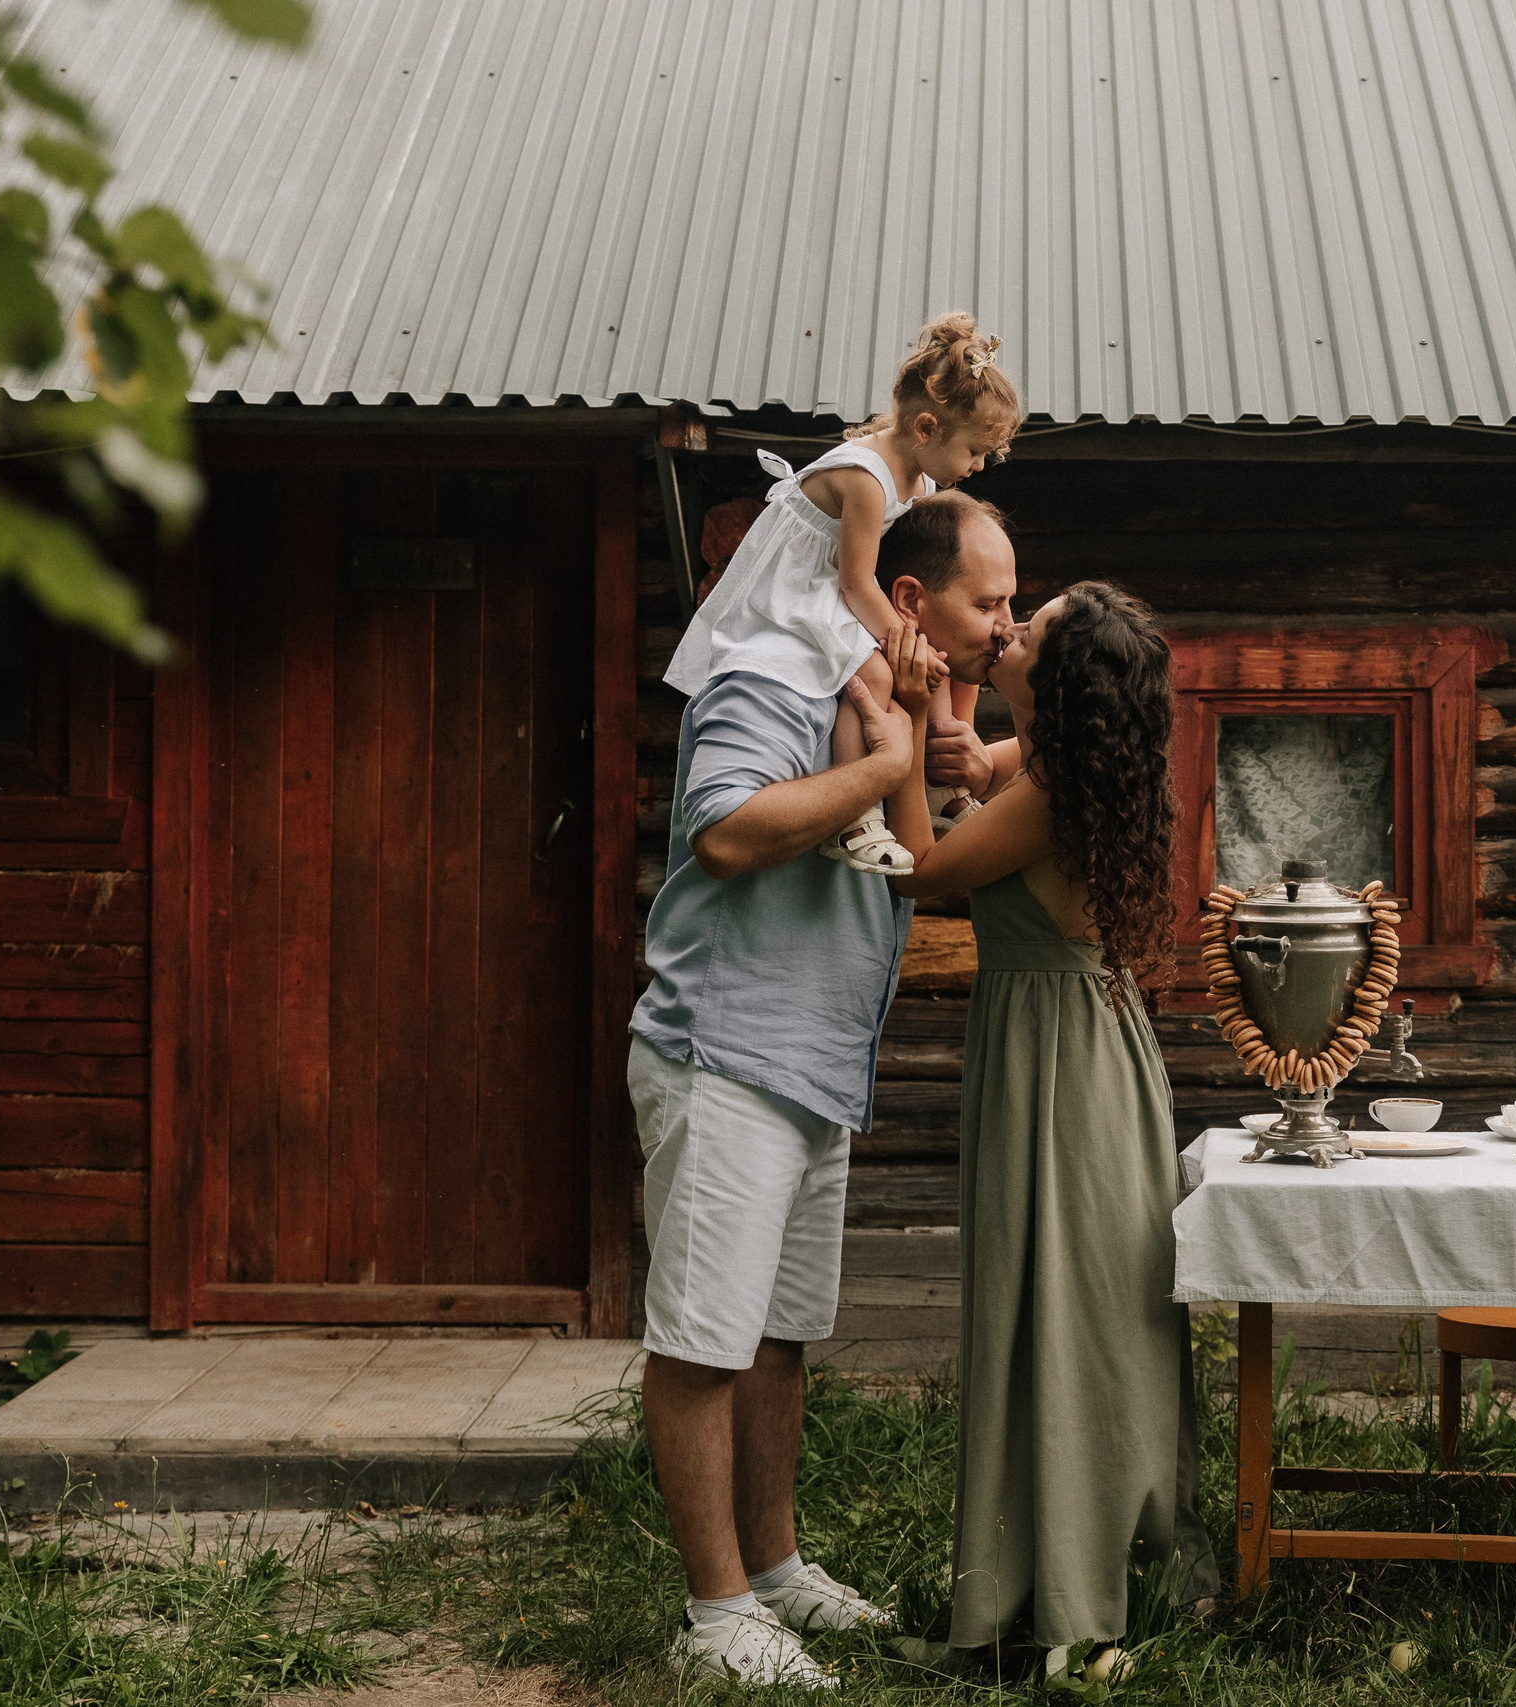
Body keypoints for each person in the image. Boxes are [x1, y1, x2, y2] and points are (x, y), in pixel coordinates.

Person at [628, 490, 1017, 1689]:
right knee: (704, 1341)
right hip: (725, 1049)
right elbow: (729, 834)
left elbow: (917, 854)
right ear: (910, 600)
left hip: (812, 1064)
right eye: (985, 602)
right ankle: (714, 1612)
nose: (1002, 627)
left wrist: (926, 747)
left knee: (779, 1338)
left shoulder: (891, 690)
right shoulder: (768, 671)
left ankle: (778, 1571)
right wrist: (895, 755)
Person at [888, 581, 1220, 1663]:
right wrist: (942, 708)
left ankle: (1061, 1586)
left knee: (1068, 1306)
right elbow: (966, 762)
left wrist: (893, 724)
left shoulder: (1046, 793)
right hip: (1086, 1047)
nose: (1006, 626)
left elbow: (924, 870)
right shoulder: (1046, 765)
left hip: (1060, 1064)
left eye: (1025, 629)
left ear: (1055, 680)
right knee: (1075, 1304)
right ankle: (1088, 1551)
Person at [663, 312, 1019, 874]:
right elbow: (854, 582)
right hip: (804, 589)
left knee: (932, 667)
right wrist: (902, 638)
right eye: (975, 451)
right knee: (875, 674)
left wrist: (924, 649)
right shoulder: (867, 478)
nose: (977, 466)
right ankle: (858, 819)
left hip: (842, 587)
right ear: (926, 429)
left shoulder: (922, 478)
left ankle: (943, 795)